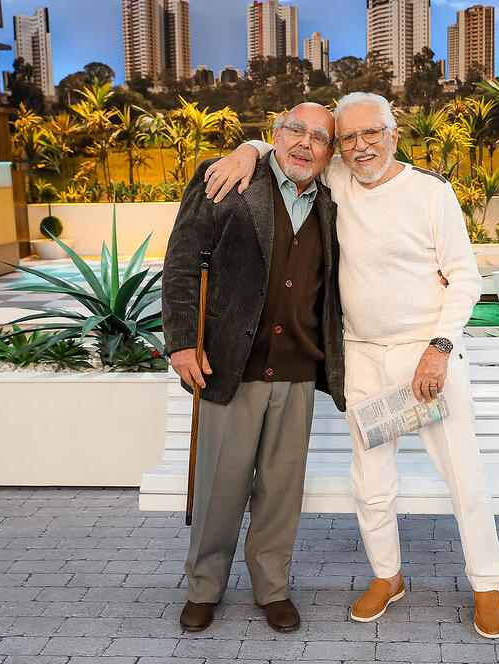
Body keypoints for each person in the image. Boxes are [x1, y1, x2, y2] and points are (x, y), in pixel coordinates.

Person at [204, 92, 499, 639]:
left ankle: (487, 583)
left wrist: (438, 348)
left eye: (373, 135)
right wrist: (249, 148)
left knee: (463, 477)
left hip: (427, 356)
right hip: (363, 355)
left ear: (394, 135)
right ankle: (386, 577)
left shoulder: (431, 192)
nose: (361, 146)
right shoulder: (337, 180)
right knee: (370, 481)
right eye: (349, 138)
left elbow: (464, 278)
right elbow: (290, 151)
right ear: (340, 147)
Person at [161, 102, 345, 634]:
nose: (305, 142)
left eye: (319, 136)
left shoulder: (333, 201)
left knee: (281, 493)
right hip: (230, 364)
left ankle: (272, 588)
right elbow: (180, 262)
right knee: (220, 487)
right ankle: (204, 587)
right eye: (295, 130)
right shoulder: (227, 179)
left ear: (329, 152)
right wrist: (180, 344)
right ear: (274, 133)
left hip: (298, 369)